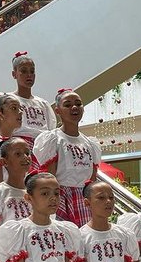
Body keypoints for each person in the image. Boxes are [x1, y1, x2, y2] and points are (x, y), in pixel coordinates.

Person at [33, 89, 101, 228]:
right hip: (61, 196)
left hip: (84, 198)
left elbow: (92, 178)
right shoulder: (53, 139)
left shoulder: (90, 143)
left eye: (78, 104)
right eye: (68, 105)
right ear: (58, 111)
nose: (74, 107)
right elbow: (49, 175)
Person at [10, 52, 56, 152]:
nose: (29, 75)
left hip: (42, 150)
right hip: (17, 149)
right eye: (24, 71)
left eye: (32, 71)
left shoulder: (43, 104)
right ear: (14, 74)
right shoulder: (9, 100)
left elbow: (51, 130)